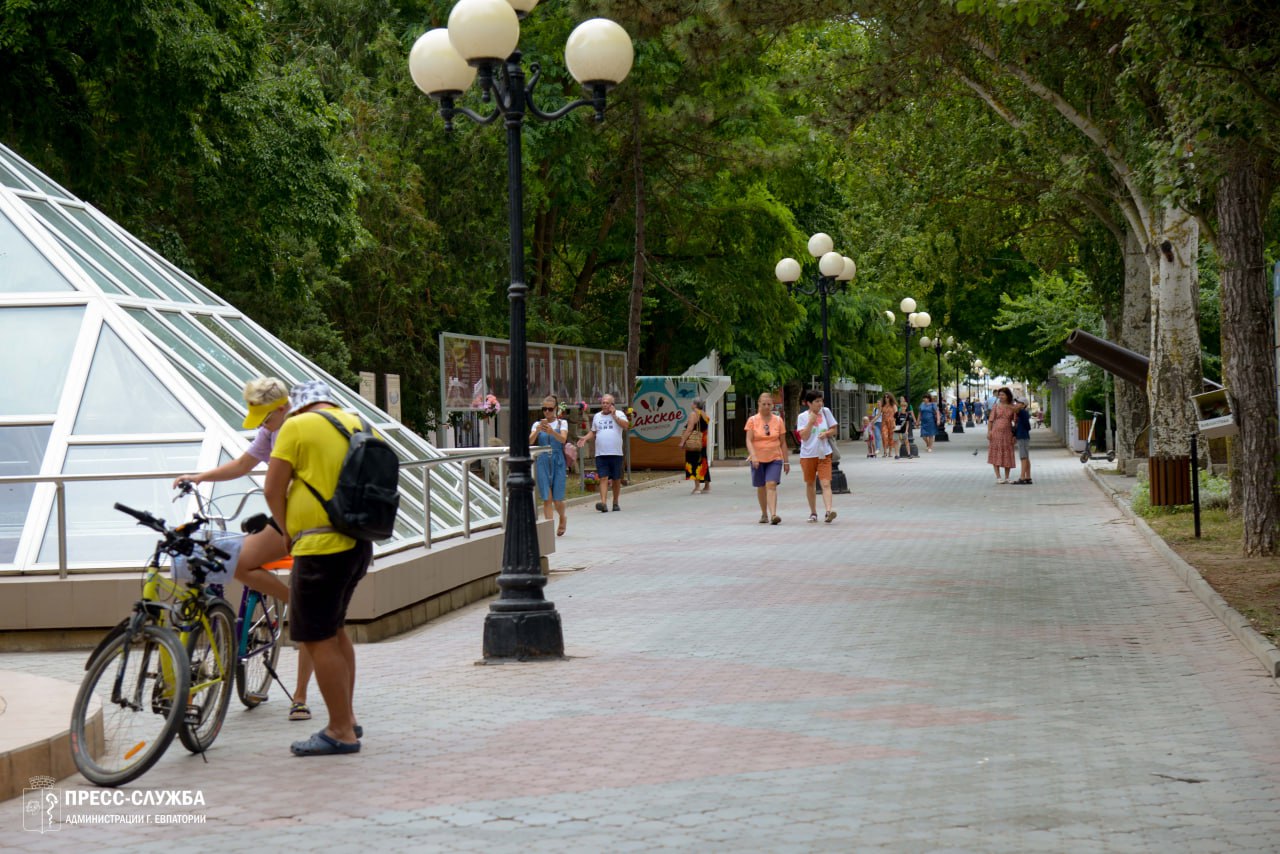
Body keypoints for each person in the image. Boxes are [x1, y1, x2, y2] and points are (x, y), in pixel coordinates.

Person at [173, 376, 314, 723]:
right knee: (239, 562)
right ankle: (293, 602)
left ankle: (300, 696)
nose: (263, 425)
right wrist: (200, 477)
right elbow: (242, 465)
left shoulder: (302, 428)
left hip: (312, 518)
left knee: (312, 615)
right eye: (260, 419)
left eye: (267, 417)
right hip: (284, 518)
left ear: (284, 408)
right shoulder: (271, 430)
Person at [266, 381, 374, 756]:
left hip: (320, 545)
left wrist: (284, 531)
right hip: (356, 541)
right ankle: (348, 716)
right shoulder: (357, 422)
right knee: (335, 631)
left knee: (315, 636)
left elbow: (272, 488)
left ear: (297, 408)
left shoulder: (296, 427)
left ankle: (340, 730)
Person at [577, 393, 630, 512]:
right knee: (603, 477)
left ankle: (615, 502)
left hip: (616, 453)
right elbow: (594, 432)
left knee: (616, 478)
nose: (605, 405)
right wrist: (585, 438)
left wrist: (614, 415)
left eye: (607, 403)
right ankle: (603, 503)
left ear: (612, 404)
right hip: (601, 453)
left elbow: (626, 426)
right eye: (603, 403)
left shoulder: (619, 414)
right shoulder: (597, 416)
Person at [744, 392, 790, 524]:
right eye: (763, 404)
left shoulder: (778, 420)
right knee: (761, 486)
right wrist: (753, 456)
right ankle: (764, 513)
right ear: (758, 404)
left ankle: (773, 514)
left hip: (775, 457)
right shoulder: (752, 420)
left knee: (771, 484)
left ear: (772, 405)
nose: (766, 406)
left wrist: (786, 461)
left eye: (769, 404)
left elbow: (783, 442)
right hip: (757, 458)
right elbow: (749, 440)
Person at [797, 390, 838, 523]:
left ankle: (828, 511)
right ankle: (813, 512)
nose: (820, 404)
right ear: (808, 403)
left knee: (826, 483)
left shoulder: (826, 412)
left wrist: (826, 434)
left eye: (821, 401)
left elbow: (834, 429)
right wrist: (810, 422)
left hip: (824, 453)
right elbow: (803, 436)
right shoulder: (802, 417)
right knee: (810, 483)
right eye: (816, 402)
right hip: (808, 454)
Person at [531, 395, 569, 535]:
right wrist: (537, 430)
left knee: (558, 499)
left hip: (557, 459)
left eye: (550, 409)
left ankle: (562, 517)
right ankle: (549, 530)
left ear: (556, 409)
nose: (547, 412)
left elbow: (563, 439)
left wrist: (552, 432)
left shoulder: (562, 423)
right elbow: (529, 441)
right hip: (542, 460)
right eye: (544, 409)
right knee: (547, 497)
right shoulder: (537, 424)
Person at [986, 386, 1020, 484]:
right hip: (996, 432)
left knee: (1007, 454)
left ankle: (1007, 477)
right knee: (996, 453)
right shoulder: (996, 406)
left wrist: (1014, 435)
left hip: (1008, 433)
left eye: (1002, 395)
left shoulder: (1012, 407)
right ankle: (998, 477)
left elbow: (1015, 422)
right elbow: (991, 420)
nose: (1000, 397)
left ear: (1007, 395)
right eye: (999, 395)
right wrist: (989, 432)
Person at [679, 398, 711, 494]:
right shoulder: (704, 414)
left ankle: (697, 487)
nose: (691, 404)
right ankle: (707, 485)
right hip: (703, 441)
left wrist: (682, 441)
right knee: (703, 462)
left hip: (694, 442)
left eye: (692, 403)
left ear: (695, 405)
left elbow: (689, 429)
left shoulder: (693, 414)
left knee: (694, 462)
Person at [1012, 400, 1033, 484]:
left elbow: (1013, 409)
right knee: (1026, 457)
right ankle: (1028, 476)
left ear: (1024, 405)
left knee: (1023, 457)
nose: (1016, 404)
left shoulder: (1022, 412)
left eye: (1019, 403)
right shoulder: (1024, 412)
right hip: (1024, 436)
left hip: (1022, 436)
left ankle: (1022, 477)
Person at [878, 393, 897, 458]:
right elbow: (878, 414)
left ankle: (890, 452)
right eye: (885, 397)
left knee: (891, 437)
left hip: (892, 423)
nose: (886, 398)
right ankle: (885, 451)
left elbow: (896, 415)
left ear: (890, 398)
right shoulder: (883, 405)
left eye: (888, 397)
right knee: (884, 436)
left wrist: (895, 422)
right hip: (884, 423)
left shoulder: (893, 405)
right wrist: (872, 421)